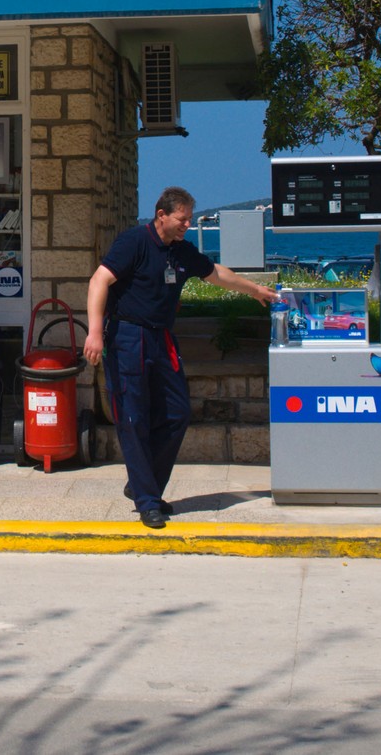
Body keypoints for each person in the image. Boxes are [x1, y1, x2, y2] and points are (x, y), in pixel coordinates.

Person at [83, 187, 280, 529]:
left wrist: (255, 290)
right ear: (161, 215)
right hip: (128, 337)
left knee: (177, 413)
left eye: (190, 218)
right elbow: (100, 280)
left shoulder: (181, 251)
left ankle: (142, 484)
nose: (187, 224)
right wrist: (95, 332)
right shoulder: (134, 242)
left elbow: (217, 274)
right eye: (182, 218)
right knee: (133, 418)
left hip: (162, 339)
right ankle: (148, 501)